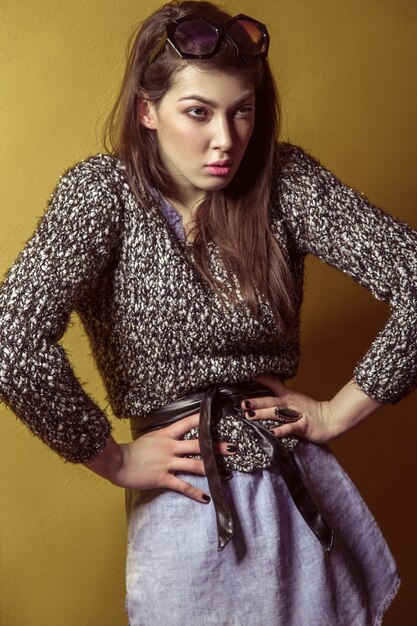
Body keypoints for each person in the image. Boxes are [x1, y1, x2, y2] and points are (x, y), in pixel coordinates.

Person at [0, 1, 416, 624]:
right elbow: (12, 340)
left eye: (241, 111)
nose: (226, 139)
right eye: (198, 112)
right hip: (189, 504)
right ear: (148, 110)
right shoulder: (102, 195)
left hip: (298, 491)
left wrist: (335, 412)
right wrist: (108, 456)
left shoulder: (283, 182)